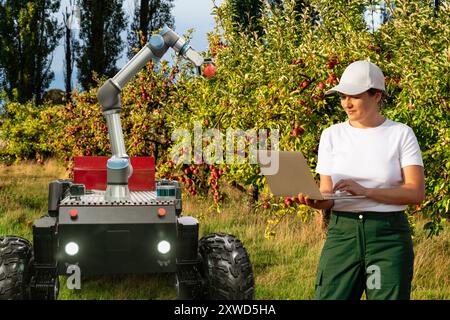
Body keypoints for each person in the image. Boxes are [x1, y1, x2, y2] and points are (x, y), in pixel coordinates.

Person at [298, 60, 425, 300]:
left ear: (376, 95)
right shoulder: (331, 135)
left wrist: (365, 191)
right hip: (342, 235)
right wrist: (315, 201)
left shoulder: (400, 134)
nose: (346, 103)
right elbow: (328, 193)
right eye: (343, 96)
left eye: (354, 96)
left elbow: (416, 192)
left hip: (387, 237)